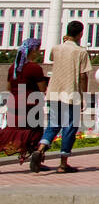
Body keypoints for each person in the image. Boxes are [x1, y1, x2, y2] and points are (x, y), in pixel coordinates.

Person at [31, 21, 92, 174]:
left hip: (54, 91)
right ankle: (63, 163)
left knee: (53, 124)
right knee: (70, 127)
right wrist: (84, 95)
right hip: (71, 93)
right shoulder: (81, 52)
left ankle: (41, 149)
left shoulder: (56, 48)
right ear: (81, 34)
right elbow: (83, 75)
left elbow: (52, 57)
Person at [1, 38, 47, 169]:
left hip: (14, 104)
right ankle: (36, 160)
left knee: (9, 132)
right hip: (31, 105)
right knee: (35, 132)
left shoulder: (13, 68)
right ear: (32, 51)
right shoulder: (35, 68)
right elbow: (42, 88)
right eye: (38, 50)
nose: (39, 52)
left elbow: (9, 87)